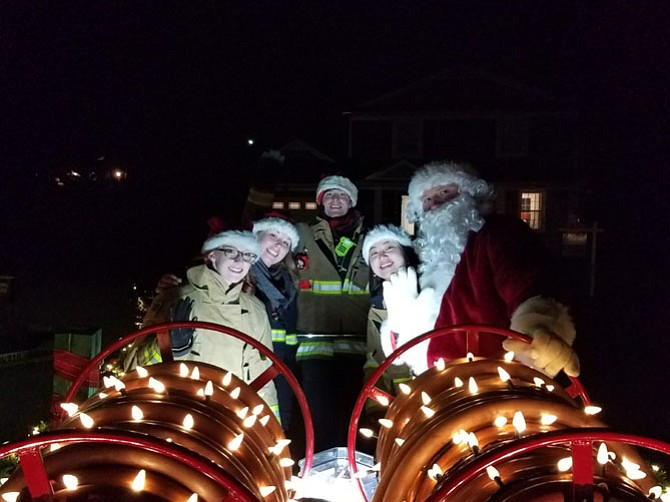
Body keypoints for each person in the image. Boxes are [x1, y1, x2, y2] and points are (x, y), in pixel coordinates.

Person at [383, 161, 580, 378]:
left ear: (470, 193)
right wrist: (400, 326)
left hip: (492, 386)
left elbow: (527, 280)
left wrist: (537, 326)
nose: (435, 205)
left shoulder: (497, 235)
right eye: (427, 199)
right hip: (434, 390)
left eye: (444, 192)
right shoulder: (428, 261)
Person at [124, 228, 279, 415]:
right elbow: (132, 366)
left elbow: (264, 381)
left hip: (232, 421)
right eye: (231, 251)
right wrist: (166, 346)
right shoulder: (174, 298)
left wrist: (272, 433)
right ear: (211, 255)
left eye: (247, 255)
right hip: (179, 414)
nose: (240, 260)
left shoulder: (256, 311)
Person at [295, 174, 370, 451]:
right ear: (320, 202)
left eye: (341, 196)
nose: (335, 201)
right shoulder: (300, 234)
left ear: (351, 201)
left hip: (356, 344)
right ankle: (319, 472)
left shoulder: (370, 237)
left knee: (353, 416)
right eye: (329, 195)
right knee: (317, 415)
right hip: (314, 345)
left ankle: (351, 471)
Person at [250, 213, 301, 432]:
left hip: (280, 371)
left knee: (280, 432)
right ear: (257, 235)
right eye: (273, 235)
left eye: (285, 242)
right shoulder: (240, 274)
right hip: (249, 370)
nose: (278, 245)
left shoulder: (289, 284)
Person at [360, 225, 417, 401]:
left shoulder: (429, 289)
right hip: (398, 402)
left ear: (405, 252)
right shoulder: (376, 306)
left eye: (389, 247)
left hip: (429, 392)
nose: (382, 256)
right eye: (374, 253)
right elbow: (373, 362)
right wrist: (374, 406)